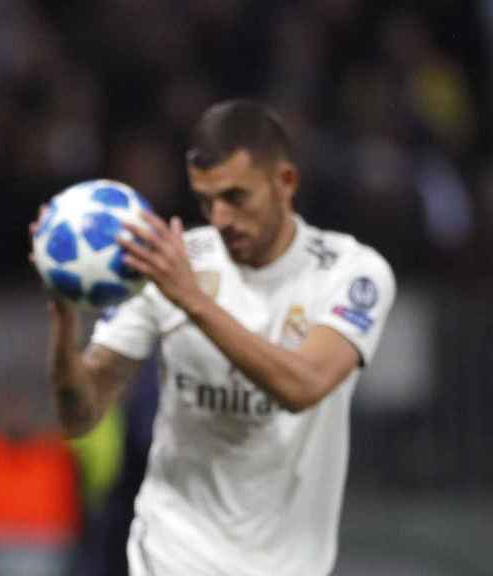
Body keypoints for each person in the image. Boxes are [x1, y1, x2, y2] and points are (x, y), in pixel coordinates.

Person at [44, 100, 396, 576]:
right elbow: (79, 415)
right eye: (206, 201)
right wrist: (65, 327)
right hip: (171, 554)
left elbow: (304, 385)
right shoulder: (171, 264)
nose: (221, 218)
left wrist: (193, 300)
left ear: (285, 182)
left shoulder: (352, 272)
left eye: (235, 196)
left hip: (290, 564)